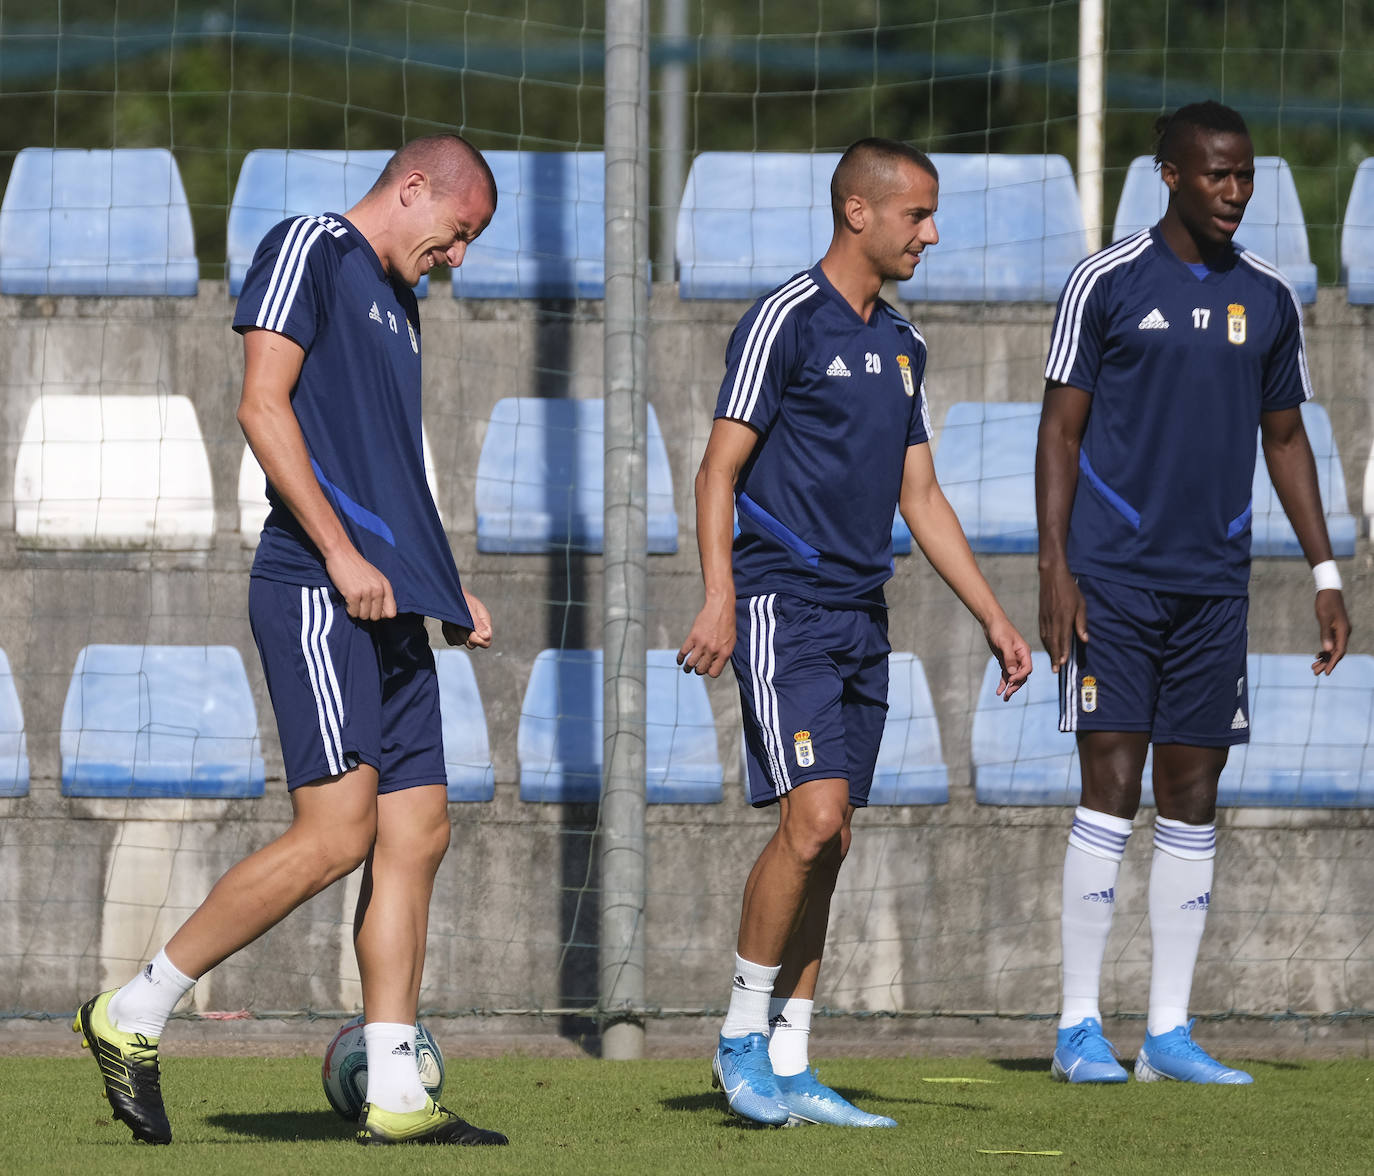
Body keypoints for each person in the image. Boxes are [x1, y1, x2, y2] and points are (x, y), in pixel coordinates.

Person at [74, 134, 509, 1146]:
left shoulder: (403, 302)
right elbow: (260, 408)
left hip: (393, 604)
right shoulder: (307, 244)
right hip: (319, 589)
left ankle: (397, 1094)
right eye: (459, 230)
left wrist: (447, 590)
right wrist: (346, 557)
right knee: (337, 835)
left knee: (420, 832)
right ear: (414, 189)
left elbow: (391, 464)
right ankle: (131, 1013)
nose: (459, 255)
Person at [678, 137, 1033, 1127]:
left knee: (834, 844)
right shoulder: (783, 322)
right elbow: (718, 471)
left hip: (860, 615)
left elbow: (921, 495)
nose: (931, 232)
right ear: (857, 214)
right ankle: (739, 1041)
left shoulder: (905, 346)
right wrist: (717, 593)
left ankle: (791, 1063)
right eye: (916, 214)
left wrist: (996, 618)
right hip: (781, 603)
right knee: (814, 820)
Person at [1037, 100, 1351, 1086]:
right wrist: (1054, 566)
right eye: (1216, 173)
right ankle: (1078, 1026)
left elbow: (1287, 438)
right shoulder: (1107, 282)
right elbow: (1059, 431)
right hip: (1114, 582)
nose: (1235, 191)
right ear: (1168, 174)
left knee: (1192, 795)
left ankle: (1167, 1034)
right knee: (1110, 787)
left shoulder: (1267, 296)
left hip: (1215, 587)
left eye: (1246, 174)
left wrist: (1325, 571)